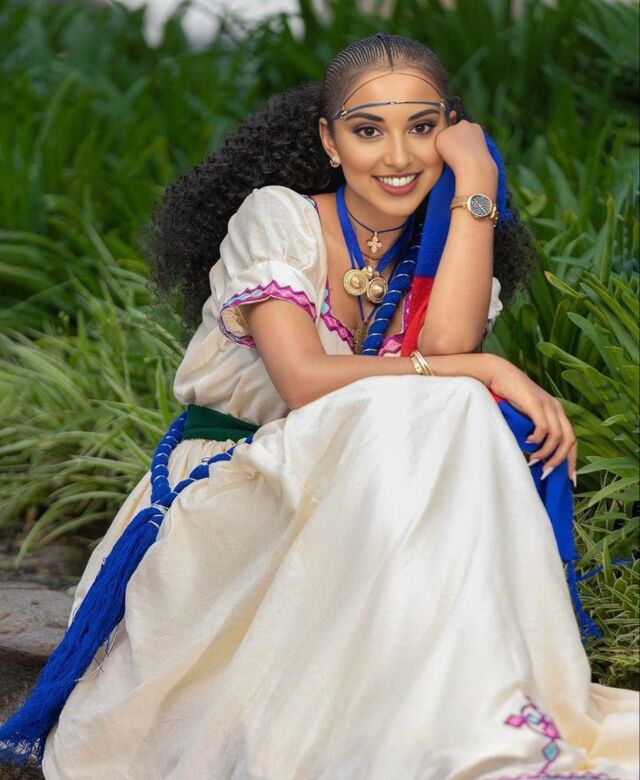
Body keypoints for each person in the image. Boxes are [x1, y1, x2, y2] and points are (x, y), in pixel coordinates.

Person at [1, 32, 638, 780]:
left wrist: (477, 180)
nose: (398, 156)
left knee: (455, 404)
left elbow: (446, 342)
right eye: (368, 130)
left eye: (423, 128)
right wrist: (486, 367)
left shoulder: (441, 238)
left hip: (362, 498)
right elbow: (303, 382)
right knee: (458, 395)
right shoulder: (279, 217)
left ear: (450, 130)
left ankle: (462, 731)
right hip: (239, 491)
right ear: (330, 142)